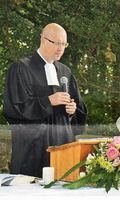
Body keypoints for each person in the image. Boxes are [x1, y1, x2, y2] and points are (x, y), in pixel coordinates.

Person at [3, 23, 88, 178]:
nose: (60, 48)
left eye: (64, 44)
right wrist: (47, 101)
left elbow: (78, 115)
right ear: (42, 40)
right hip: (34, 148)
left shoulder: (65, 72)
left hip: (63, 145)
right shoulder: (21, 68)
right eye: (56, 43)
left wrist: (72, 111)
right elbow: (14, 109)